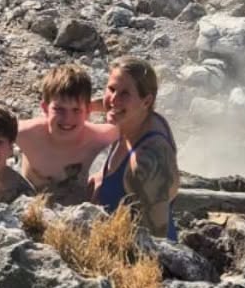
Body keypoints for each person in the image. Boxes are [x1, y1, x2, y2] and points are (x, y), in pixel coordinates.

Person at [90, 59, 180, 239]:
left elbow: (158, 241)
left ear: (146, 101)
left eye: (124, 94)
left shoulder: (147, 161)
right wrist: (82, 106)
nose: (114, 99)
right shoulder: (139, 120)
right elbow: (113, 103)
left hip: (131, 256)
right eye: (112, 89)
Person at [15, 64, 119, 206]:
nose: (67, 119)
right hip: (32, 208)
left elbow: (141, 118)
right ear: (45, 108)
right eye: (59, 109)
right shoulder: (27, 134)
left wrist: (103, 174)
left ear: (88, 111)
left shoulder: (100, 138)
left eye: (76, 110)